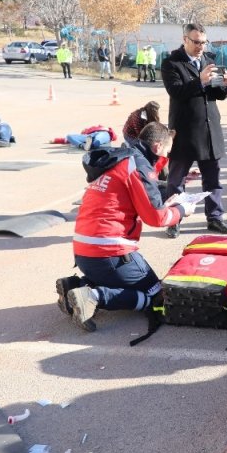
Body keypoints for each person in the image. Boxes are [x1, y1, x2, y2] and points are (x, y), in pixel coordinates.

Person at [56, 122, 196, 331]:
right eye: (167, 150)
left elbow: (135, 193)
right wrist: (182, 210)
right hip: (110, 253)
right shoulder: (138, 166)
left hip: (85, 252)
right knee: (157, 297)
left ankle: (76, 286)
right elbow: (156, 218)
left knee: (123, 282)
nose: (167, 156)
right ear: (157, 147)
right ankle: (93, 296)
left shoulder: (121, 160)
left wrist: (169, 190)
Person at [161, 23, 227, 238]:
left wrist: (225, 84)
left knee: (213, 179)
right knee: (176, 180)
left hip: (210, 131)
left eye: (203, 42)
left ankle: (215, 217)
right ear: (185, 39)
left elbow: (218, 95)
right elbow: (176, 91)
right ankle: (174, 219)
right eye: (196, 42)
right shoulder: (171, 63)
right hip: (184, 132)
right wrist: (200, 81)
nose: (200, 46)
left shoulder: (209, 61)